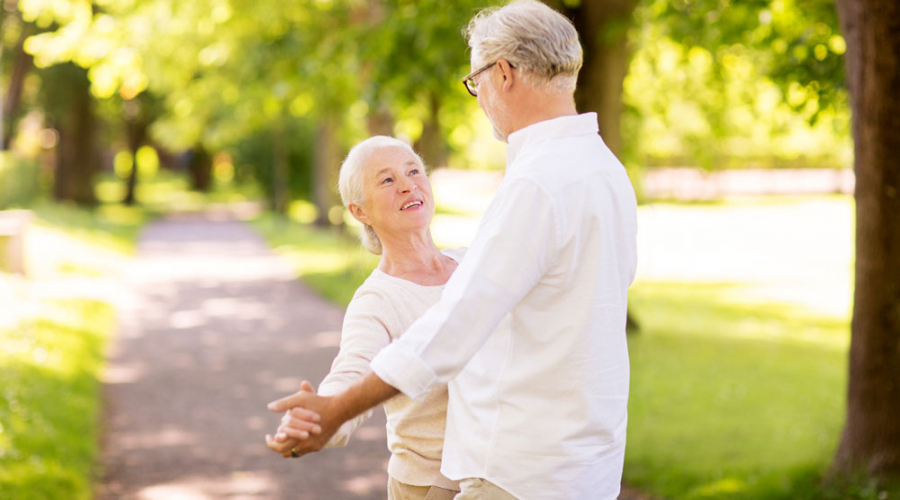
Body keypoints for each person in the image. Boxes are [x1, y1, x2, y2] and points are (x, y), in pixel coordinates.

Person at [267, 1, 638, 499]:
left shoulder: (536, 183)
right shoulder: (605, 170)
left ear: (502, 73)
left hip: (522, 474)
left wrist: (337, 410)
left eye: (476, 80)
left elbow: (453, 330)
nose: (479, 96)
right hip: (586, 468)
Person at [267, 136, 502, 500]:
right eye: (387, 180)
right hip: (431, 485)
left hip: (503, 475)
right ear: (359, 211)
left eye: (414, 171)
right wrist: (321, 416)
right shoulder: (377, 299)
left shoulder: (475, 263)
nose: (408, 185)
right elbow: (353, 368)